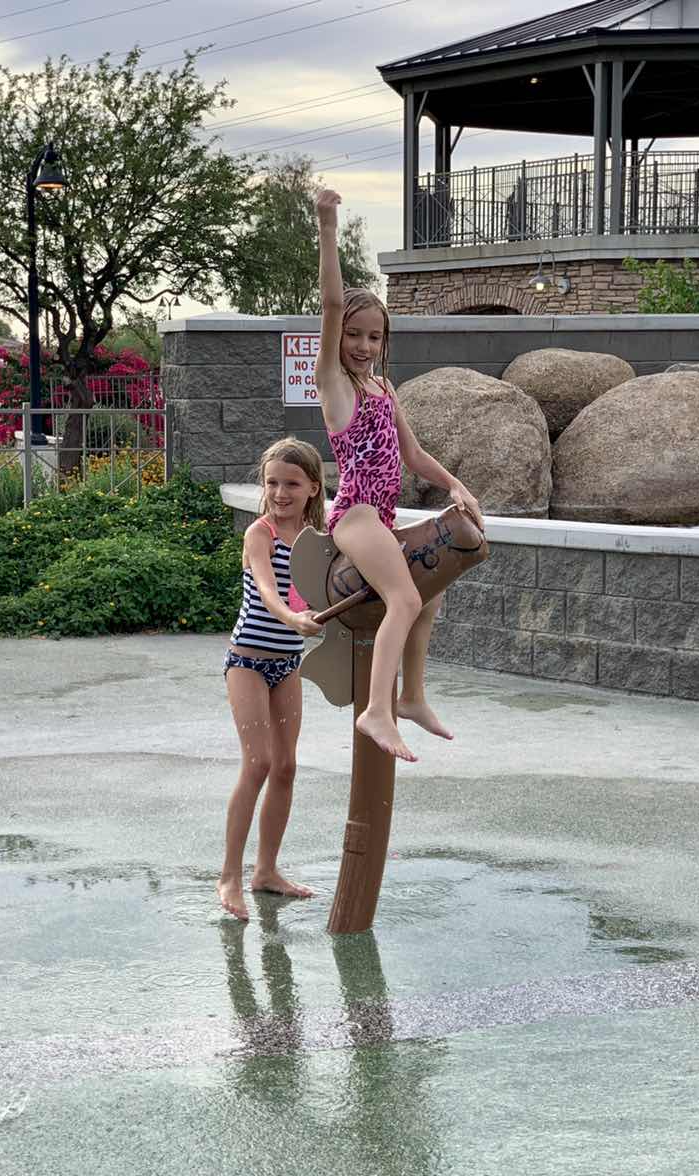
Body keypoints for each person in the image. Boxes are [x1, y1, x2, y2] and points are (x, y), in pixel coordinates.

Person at [314, 186, 484, 763]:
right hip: (355, 516)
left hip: (383, 517)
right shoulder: (335, 387)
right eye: (353, 334)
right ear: (338, 336)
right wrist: (328, 226)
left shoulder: (383, 388)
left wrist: (455, 484)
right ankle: (377, 711)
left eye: (374, 336)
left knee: (429, 594)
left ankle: (411, 697)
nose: (363, 345)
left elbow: (412, 454)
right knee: (403, 600)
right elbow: (331, 303)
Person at [217, 438, 325, 922]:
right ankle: (229, 876)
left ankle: (266, 872)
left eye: (292, 484)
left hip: (287, 665)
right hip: (247, 661)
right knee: (258, 763)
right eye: (273, 482)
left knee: (285, 767)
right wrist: (293, 619)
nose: (280, 492)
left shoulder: (317, 539)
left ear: (313, 488)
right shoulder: (259, 533)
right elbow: (266, 589)